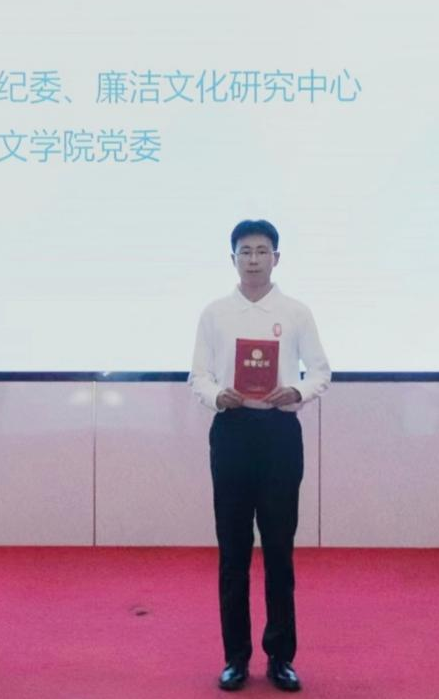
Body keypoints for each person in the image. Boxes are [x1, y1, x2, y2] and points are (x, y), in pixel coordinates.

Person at [189, 220, 331, 693]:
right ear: (233, 259)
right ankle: (235, 658)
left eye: (262, 251)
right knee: (233, 552)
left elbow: (322, 371)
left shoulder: (295, 312)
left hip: (278, 435)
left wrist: (297, 391)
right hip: (232, 432)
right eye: (245, 251)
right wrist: (217, 396)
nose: (253, 259)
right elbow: (198, 376)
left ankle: (281, 657)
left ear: (276, 257)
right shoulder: (215, 313)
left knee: (278, 552)